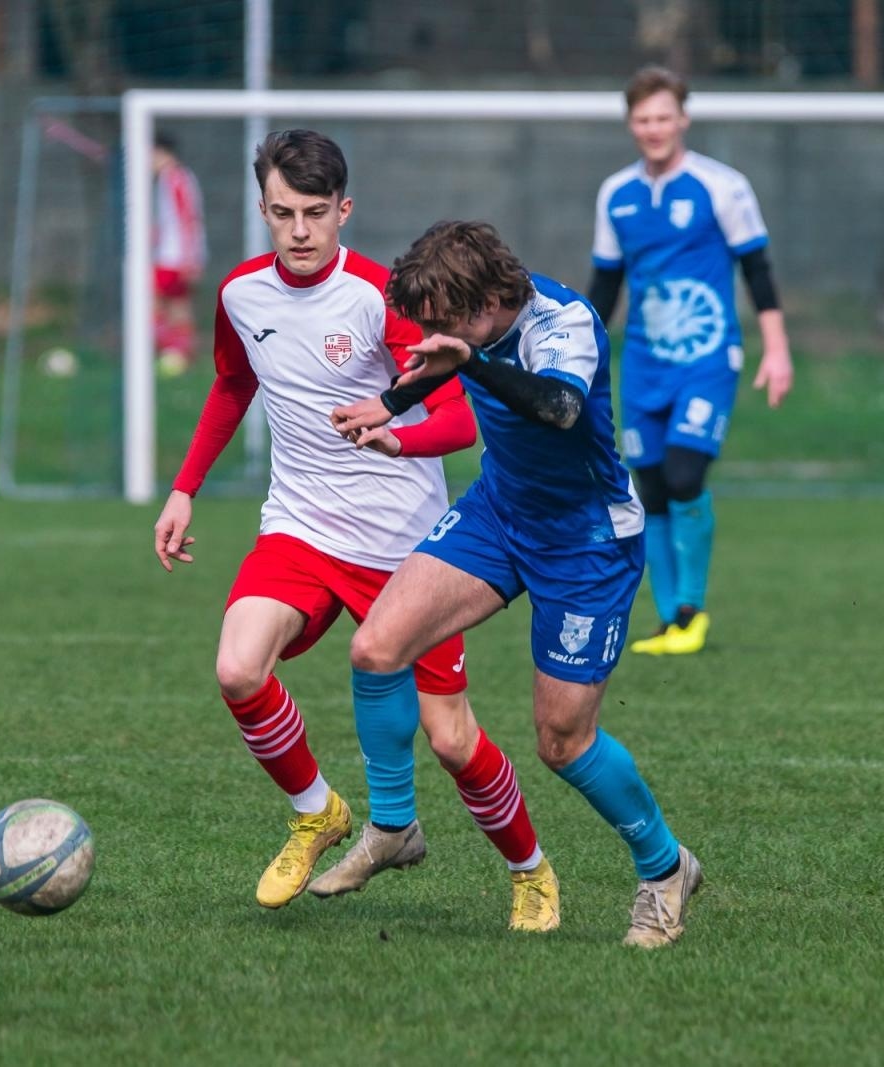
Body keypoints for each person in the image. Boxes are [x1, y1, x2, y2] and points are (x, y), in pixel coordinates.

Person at [154, 132, 554, 930]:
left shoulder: (381, 298)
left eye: (314, 212)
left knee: (451, 738)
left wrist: (393, 434)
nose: (299, 231)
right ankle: (317, 812)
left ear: (344, 209)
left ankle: (530, 869)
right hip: (300, 526)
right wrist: (183, 488)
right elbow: (232, 384)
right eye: (282, 214)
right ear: (262, 210)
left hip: (407, 545)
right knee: (237, 667)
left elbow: (459, 418)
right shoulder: (240, 294)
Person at [331, 220, 701, 947]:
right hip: (498, 513)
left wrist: (468, 359)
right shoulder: (471, 328)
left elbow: (559, 407)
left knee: (562, 742)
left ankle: (665, 868)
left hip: (587, 542)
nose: (430, 337)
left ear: (491, 300)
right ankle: (394, 826)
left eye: (443, 324)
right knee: (376, 648)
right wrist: (393, 404)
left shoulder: (563, 322)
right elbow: (454, 358)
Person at [588, 65, 794, 656]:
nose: (654, 128)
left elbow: (757, 269)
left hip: (708, 359)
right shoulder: (616, 194)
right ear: (631, 124)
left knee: (684, 476)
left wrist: (777, 349)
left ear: (682, 119)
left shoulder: (722, 186)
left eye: (663, 117)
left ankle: (691, 609)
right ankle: (668, 622)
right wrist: (577, 351)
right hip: (644, 362)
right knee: (650, 488)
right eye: (643, 119)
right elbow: (605, 286)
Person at [152, 133, 208, 378]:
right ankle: (180, 354)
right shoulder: (170, 178)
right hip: (172, 254)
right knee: (177, 307)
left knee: (153, 303)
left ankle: (173, 350)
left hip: (174, 257)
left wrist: (189, 259)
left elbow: (187, 218)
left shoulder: (174, 178)